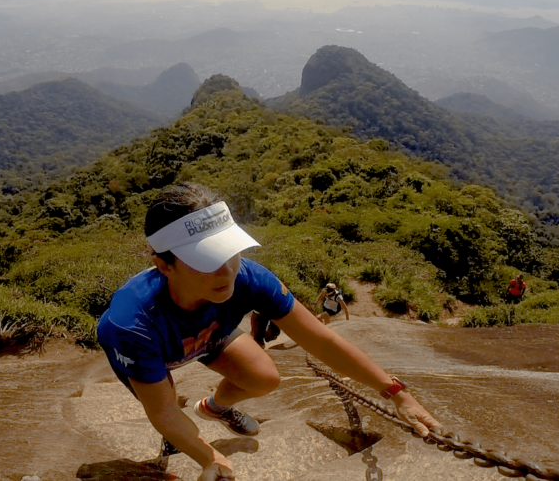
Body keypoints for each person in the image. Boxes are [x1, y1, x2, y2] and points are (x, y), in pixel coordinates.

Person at [97, 183, 442, 481]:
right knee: (169, 405)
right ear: (164, 265)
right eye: (206, 260)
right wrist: (208, 456)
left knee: (265, 377)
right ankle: (182, 440)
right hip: (156, 346)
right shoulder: (131, 323)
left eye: (229, 250)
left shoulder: (246, 278)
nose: (226, 270)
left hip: (208, 333)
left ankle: (215, 408)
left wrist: (396, 392)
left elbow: (319, 339)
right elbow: (162, 412)